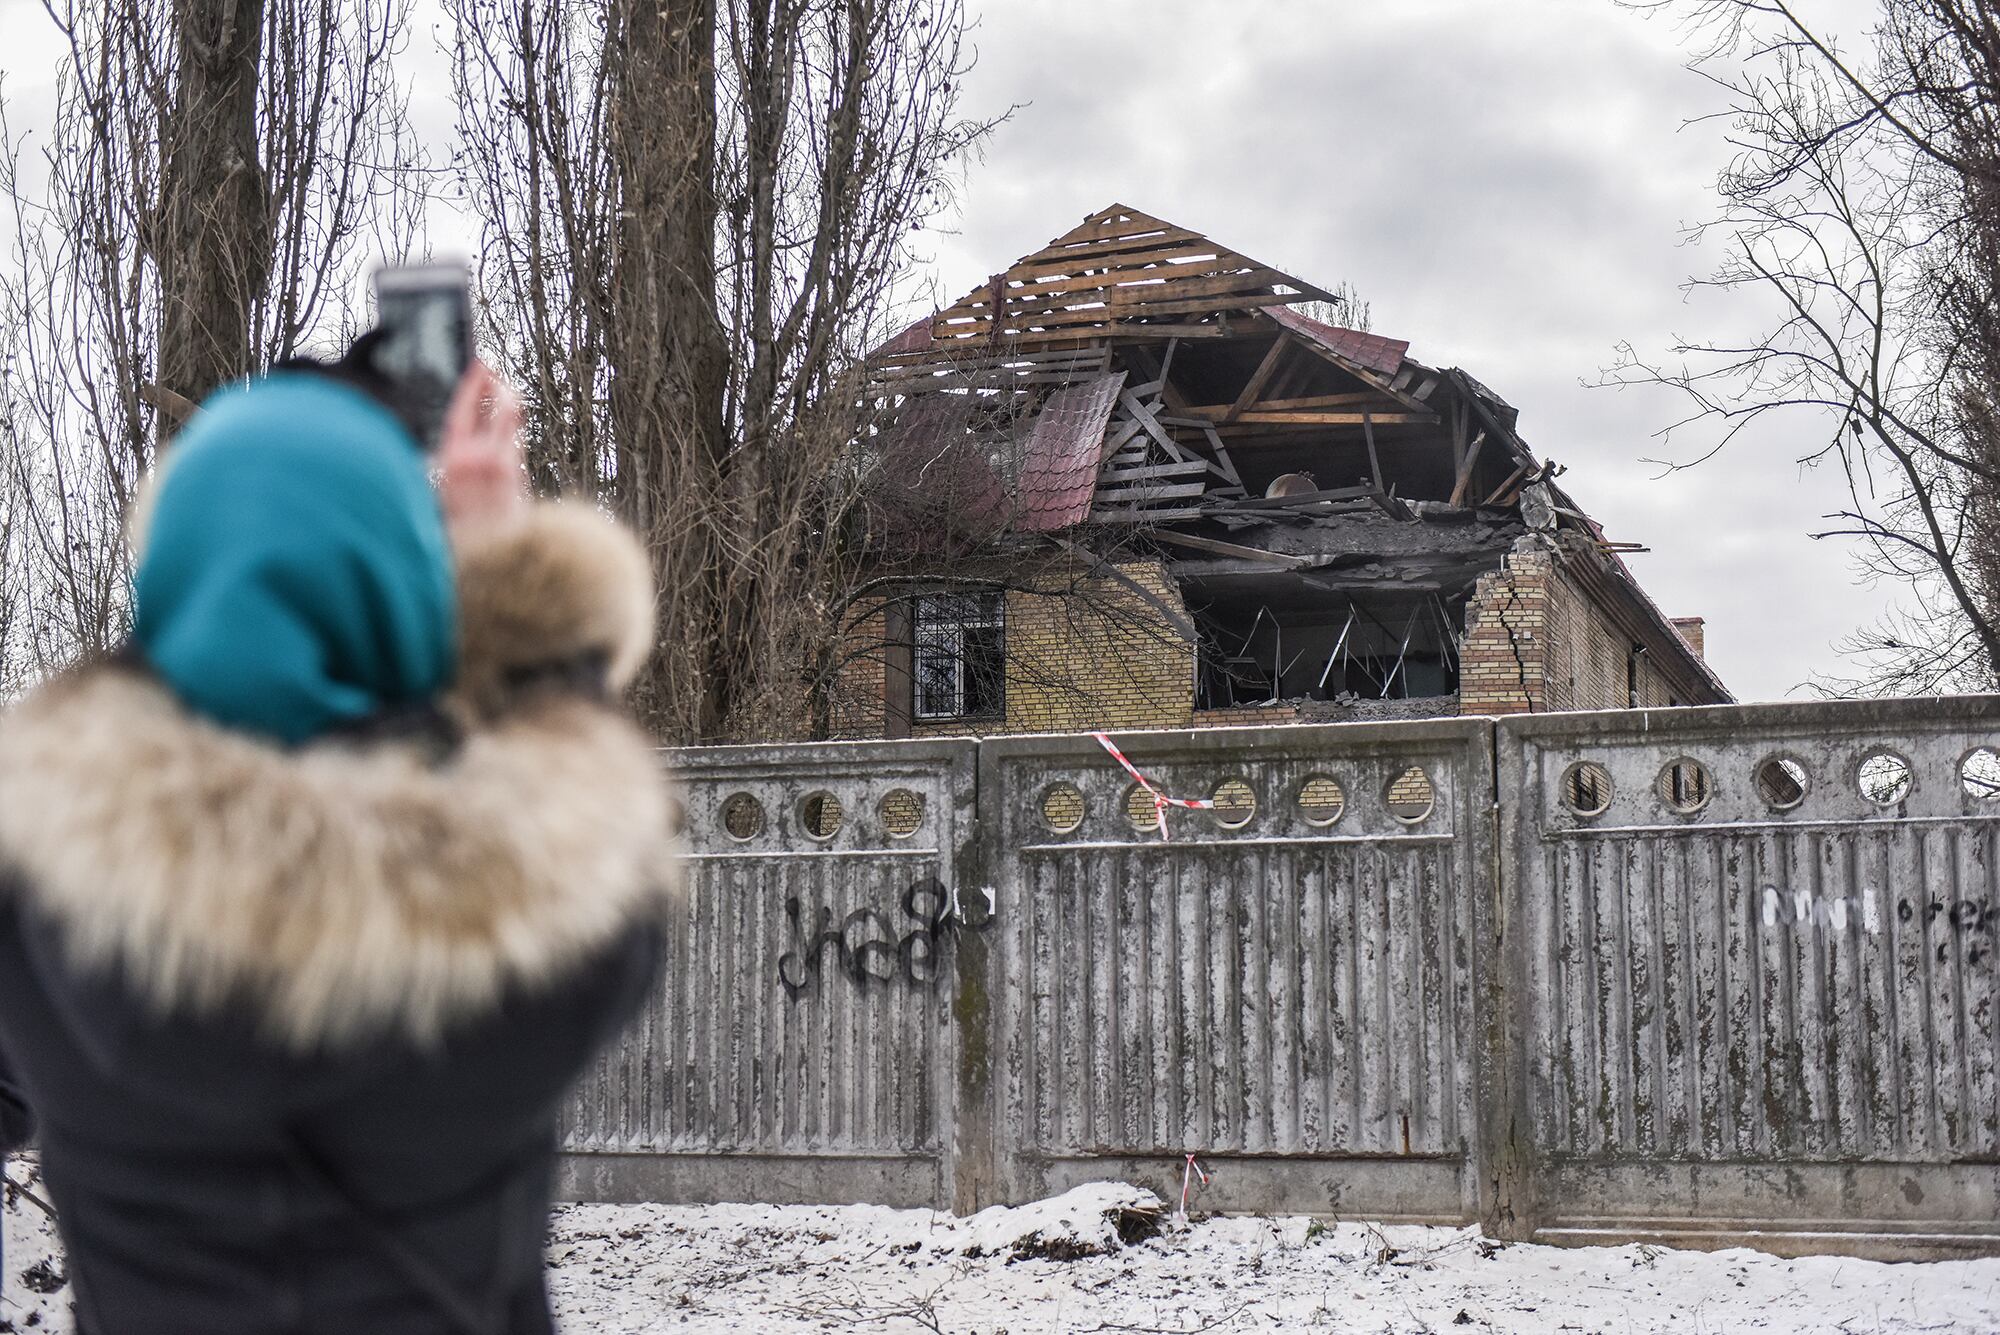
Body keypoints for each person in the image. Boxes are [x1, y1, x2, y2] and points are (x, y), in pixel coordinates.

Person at [0, 355, 677, 1333]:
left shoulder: (40, 904)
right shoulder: (534, 918)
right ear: (404, 596)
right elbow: (599, 818)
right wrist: (508, 596)